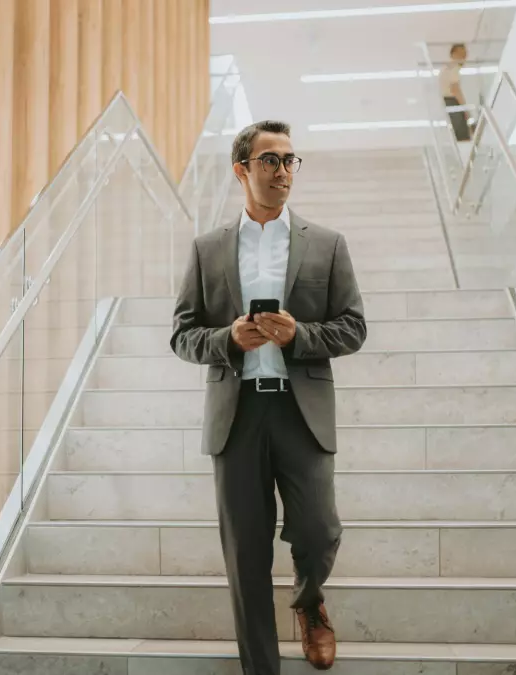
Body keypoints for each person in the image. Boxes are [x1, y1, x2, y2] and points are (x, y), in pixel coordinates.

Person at [170, 120, 367, 673]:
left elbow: (353, 328)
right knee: (246, 554)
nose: (283, 170)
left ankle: (308, 602)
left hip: (299, 411)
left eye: (289, 160)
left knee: (318, 530)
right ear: (242, 170)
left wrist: (298, 335)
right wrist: (227, 338)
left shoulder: (327, 245)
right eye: (270, 160)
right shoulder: (207, 250)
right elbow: (182, 334)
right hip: (237, 415)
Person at [441, 43, 472, 142]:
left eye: (465, 54)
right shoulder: (454, 69)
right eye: (461, 54)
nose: (464, 57)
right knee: (462, 135)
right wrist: (465, 108)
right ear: (453, 54)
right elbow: (455, 89)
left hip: (447, 102)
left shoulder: (446, 68)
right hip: (452, 102)